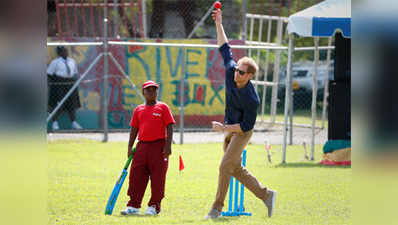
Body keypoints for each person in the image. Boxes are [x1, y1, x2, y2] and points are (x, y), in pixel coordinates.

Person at [205, 9, 276, 219]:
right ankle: (266, 195)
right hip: (229, 127)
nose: (237, 72)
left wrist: (224, 128)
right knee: (234, 169)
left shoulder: (252, 99)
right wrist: (219, 22)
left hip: (242, 132)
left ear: (250, 76)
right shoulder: (231, 71)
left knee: (225, 166)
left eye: (242, 72)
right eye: (237, 69)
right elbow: (224, 47)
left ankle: (216, 209)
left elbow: (245, 127)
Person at [121, 80, 175, 216]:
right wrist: (129, 146)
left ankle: (153, 206)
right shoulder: (138, 109)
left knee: (158, 178)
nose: (152, 92)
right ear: (143, 92)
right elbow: (134, 129)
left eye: (154, 90)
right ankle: (133, 205)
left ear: (157, 92)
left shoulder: (163, 107)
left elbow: (170, 126)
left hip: (159, 147)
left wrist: (168, 146)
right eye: (148, 90)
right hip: (142, 146)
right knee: (136, 176)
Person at [47, 46, 82, 130]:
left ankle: (74, 122)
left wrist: (74, 81)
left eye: (66, 51)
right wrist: (54, 82)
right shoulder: (55, 62)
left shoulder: (72, 61)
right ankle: (55, 123)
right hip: (59, 84)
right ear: (59, 53)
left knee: (72, 104)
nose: (66, 52)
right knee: (58, 104)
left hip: (70, 83)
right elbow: (49, 74)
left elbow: (75, 73)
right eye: (63, 51)